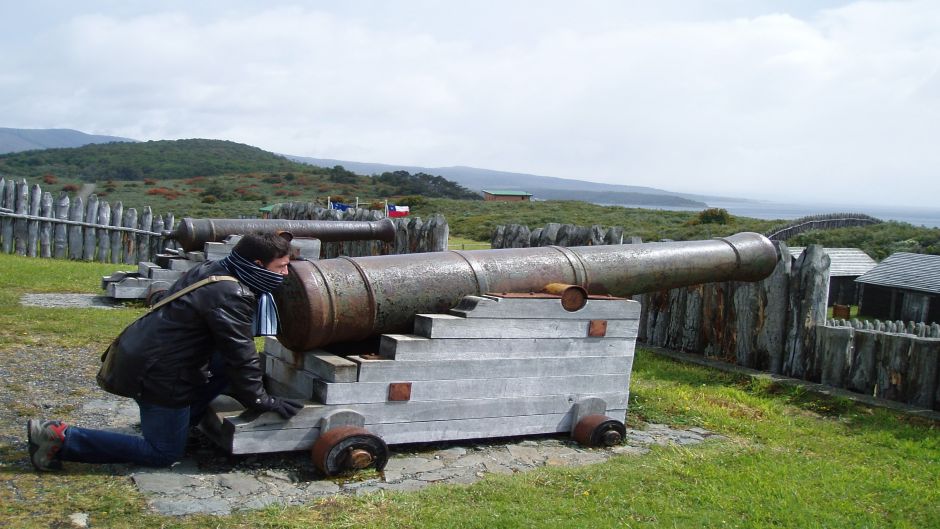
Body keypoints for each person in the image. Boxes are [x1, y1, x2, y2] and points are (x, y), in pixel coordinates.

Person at [26, 232, 303, 471]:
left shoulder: (214, 269)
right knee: (163, 453)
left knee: (222, 366)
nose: (285, 274)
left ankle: (181, 421)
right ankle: (59, 438)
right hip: (160, 374)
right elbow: (240, 354)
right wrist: (261, 401)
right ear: (258, 264)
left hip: (147, 354)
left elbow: (235, 355)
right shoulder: (231, 294)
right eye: (281, 267)